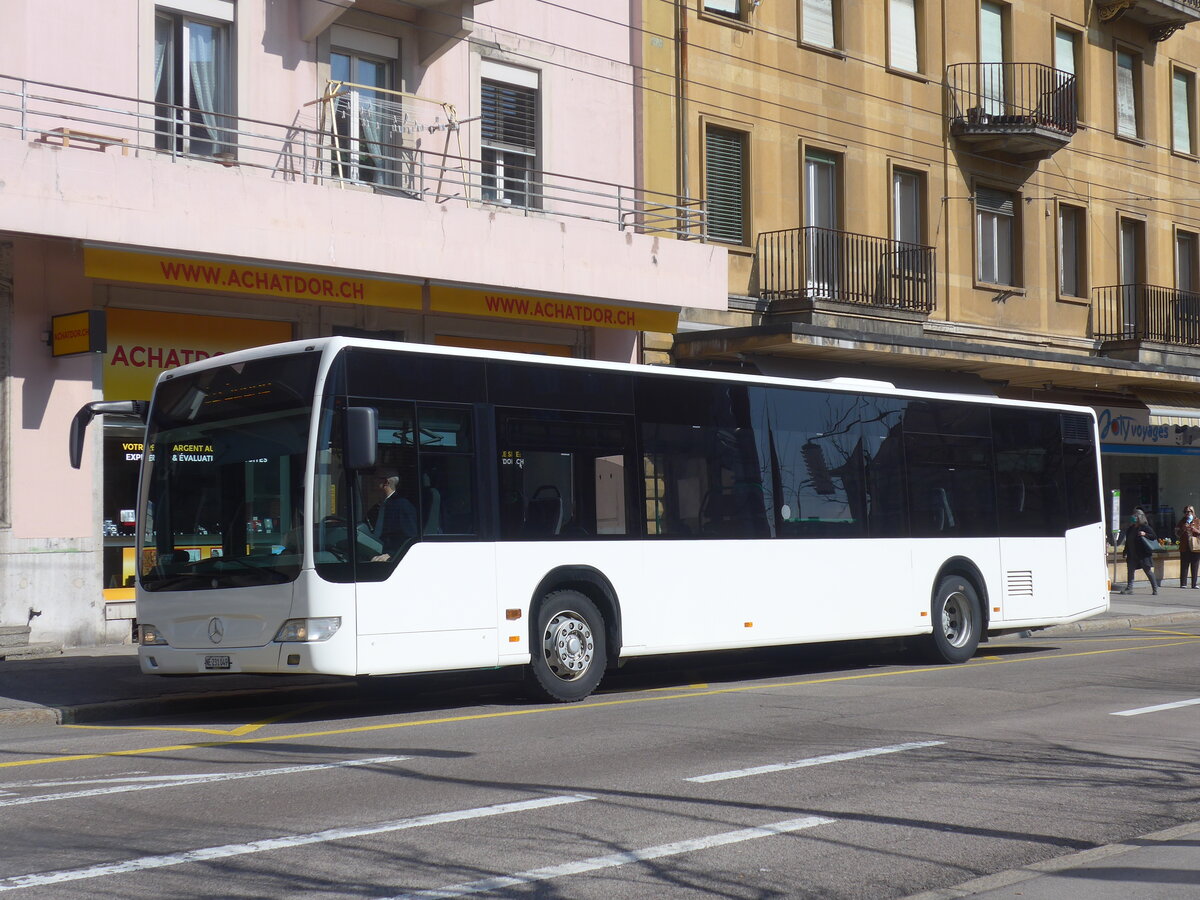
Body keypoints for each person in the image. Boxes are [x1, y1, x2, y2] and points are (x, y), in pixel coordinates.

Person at [368, 470, 418, 563]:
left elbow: (411, 539)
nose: (371, 481)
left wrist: (392, 555)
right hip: (372, 554)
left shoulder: (402, 506)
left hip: (389, 561)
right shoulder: (376, 509)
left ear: (386, 482)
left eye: (375, 478)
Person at [1117, 507, 1159, 595]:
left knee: (1148, 571)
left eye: (1135, 515)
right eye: (1133, 515)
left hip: (1143, 554)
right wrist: (1125, 551)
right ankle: (1129, 588)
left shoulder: (1145, 527)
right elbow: (1128, 542)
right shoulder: (1131, 528)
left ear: (1140, 517)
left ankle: (1155, 588)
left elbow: (1154, 536)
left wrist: (1145, 534)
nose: (1133, 517)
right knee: (1130, 571)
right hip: (1132, 554)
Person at [1177, 505, 1200, 589]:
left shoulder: (1197, 521)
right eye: (1186, 512)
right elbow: (1177, 533)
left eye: (1189, 511)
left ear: (1193, 512)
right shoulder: (1182, 522)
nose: (1187, 513)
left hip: (1195, 546)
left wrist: (1196, 530)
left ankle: (1194, 584)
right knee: (1184, 565)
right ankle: (1183, 583)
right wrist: (1183, 529)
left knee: (1195, 565)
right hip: (1185, 546)